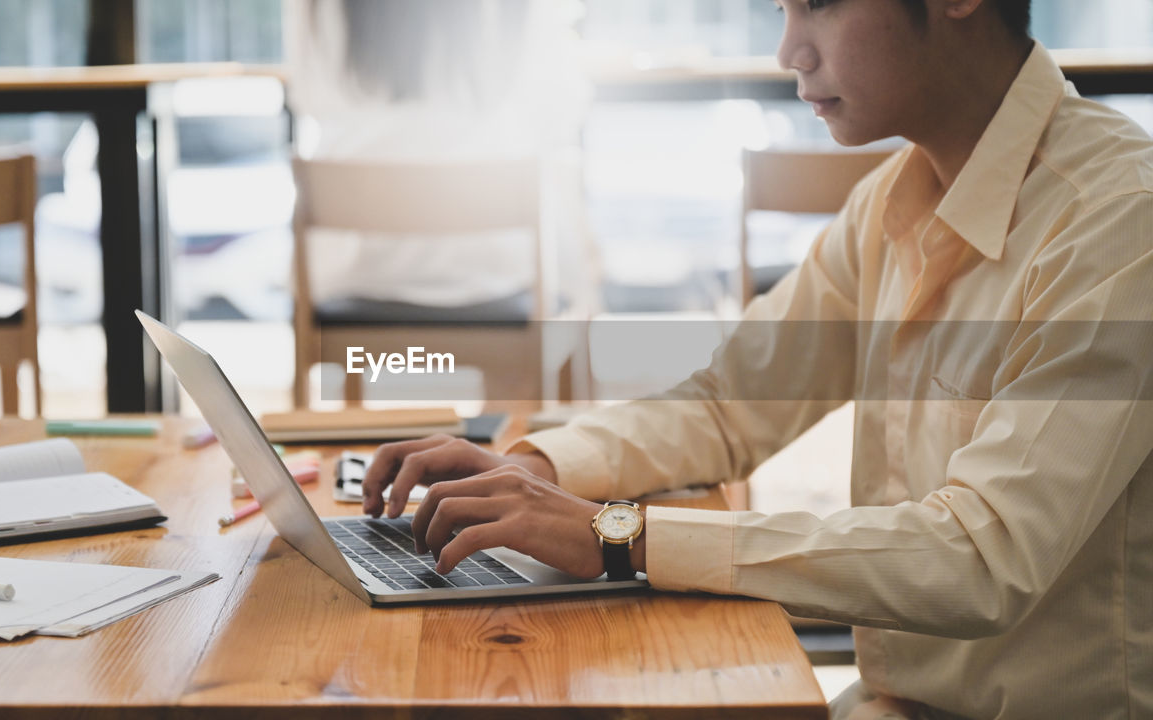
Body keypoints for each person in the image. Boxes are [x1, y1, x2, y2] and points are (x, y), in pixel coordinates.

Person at [355, 0, 1153, 718]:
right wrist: (528, 469)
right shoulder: (893, 198)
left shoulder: (1119, 221)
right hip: (890, 700)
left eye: (820, 6)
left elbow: (985, 556)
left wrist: (619, 536)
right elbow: (731, 399)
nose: (788, 51)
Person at [283, 0, 589, 309]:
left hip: (354, 270)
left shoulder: (318, 7)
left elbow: (308, 98)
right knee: (576, 248)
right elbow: (559, 109)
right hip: (500, 269)